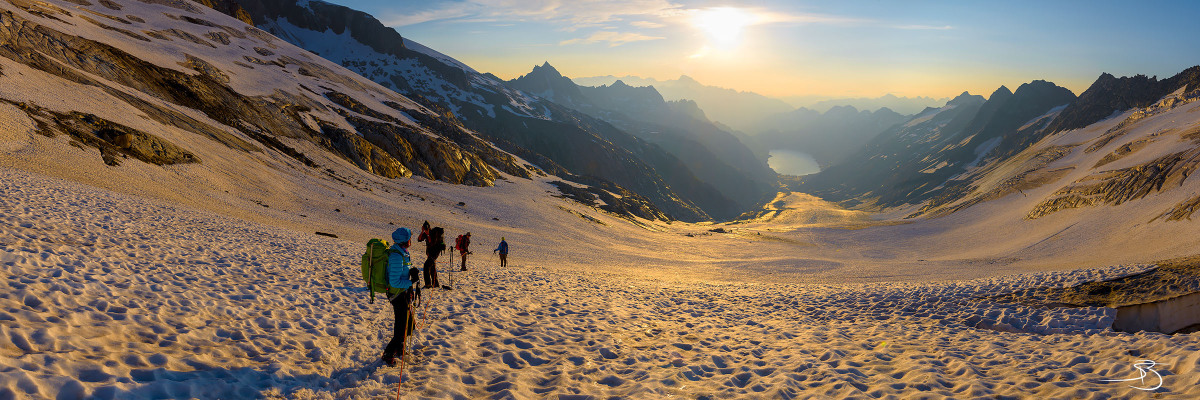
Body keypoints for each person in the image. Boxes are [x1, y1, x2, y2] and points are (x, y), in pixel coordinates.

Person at [382, 227, 416, 367]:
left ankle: (399, 346)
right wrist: (411, 282)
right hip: (397, 295)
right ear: (404, 240)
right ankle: (389, 353)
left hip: (402, 292)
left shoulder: (403, 252)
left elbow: (402, 273)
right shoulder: (396, 256)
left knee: (408, 325)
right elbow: (394, 281)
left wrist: (410, 285)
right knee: (402, 325)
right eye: (409, 238)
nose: (410, 240)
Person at [417, 221, 446, 289]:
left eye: (427, 229)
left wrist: (427, 234)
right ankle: (435, 284)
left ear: (429, 227)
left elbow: (432, 243)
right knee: (432, 267)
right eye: (425, 229)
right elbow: (419, 239)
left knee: (426, 266)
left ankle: (428, 284)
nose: (426, 230)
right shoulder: (425, 233)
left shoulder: (434, 233)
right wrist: (422, 232)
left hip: (435, 252)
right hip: (430, 253)